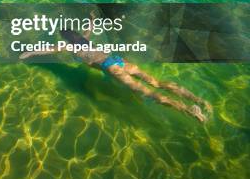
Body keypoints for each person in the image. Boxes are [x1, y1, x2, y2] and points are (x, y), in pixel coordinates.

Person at [20, 27, 212, 123]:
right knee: (157, 82)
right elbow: (91, 26)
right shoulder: (84, 38)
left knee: (148, 93)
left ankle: (188, 111)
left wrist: (29, 53)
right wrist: (92, 17)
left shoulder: (67, 45)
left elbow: (48, 50)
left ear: (66, 39)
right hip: (119, 60)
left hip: (110, 67)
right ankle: (198, 100)